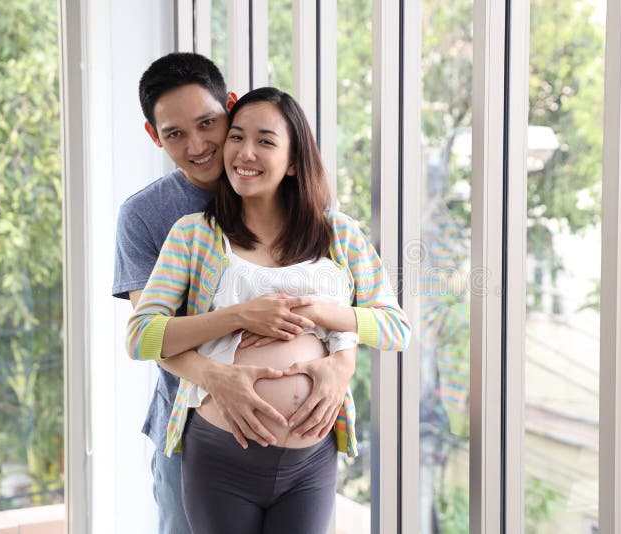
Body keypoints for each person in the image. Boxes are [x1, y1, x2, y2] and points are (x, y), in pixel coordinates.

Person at [126, 87, 411, 533]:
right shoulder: (194, 235)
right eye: (236, 137)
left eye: (265, 141)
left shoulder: (338, 233)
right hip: (220, 456)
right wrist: (241, 315)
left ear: (294, 161)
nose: (245, 151)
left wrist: (323, 319)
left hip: (310, 461)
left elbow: (397, 328)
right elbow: (141, 336)